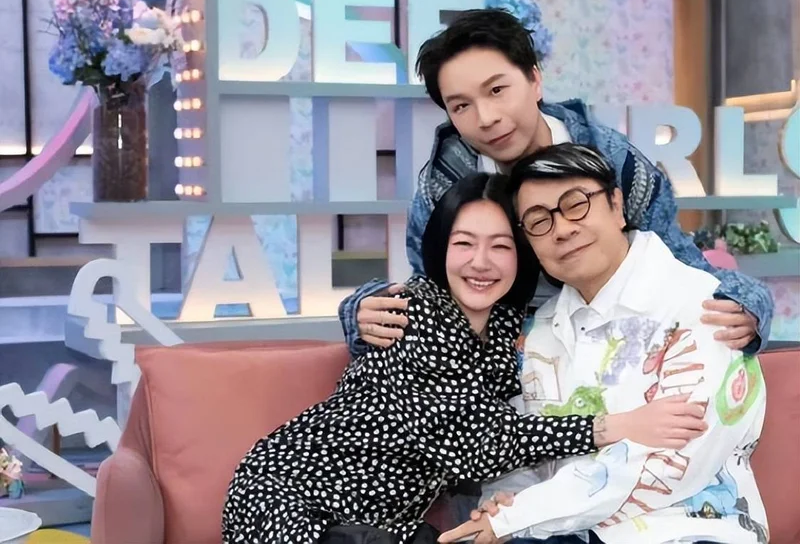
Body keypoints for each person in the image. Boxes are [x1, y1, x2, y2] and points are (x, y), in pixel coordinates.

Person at [221, 173, 708, 544]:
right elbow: (477, 445)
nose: (481, 262)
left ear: (521, 255)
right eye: (464, 244)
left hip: (380, 522)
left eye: (501, 246)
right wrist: (617, 425)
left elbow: (505, 430)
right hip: (290, 501)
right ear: (440, 249)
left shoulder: (507, 325)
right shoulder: (413, 312)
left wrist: (507, 501)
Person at [341, 8, 772, 357]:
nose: (486, 118)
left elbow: (681, 266)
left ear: (534, 79)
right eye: (461, 106)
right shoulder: (445, 183)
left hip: (614, 347)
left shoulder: (615, 162)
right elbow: (431, 287)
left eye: (497, 90)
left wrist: (749, 307)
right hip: (500, 363)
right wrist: (363, 312)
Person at [438, 144, 767, 544]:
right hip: (564, 533)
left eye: (576, 204)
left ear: (616, 205)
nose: (562, 229)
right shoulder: (539, 332)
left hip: (689, 528)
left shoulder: (706, 307)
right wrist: (502, 505)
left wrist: (521, 516)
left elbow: (668, 464)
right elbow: (529, 451)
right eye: (539, 221)